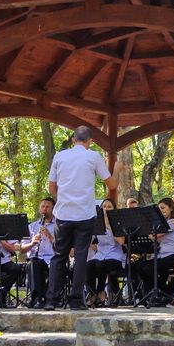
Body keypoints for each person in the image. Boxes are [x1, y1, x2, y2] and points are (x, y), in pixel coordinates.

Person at [45, 125, 122, 310]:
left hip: (63, 214)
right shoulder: (93, 156)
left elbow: (51, 187)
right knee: (81, 257)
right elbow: (112, 184)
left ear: (73, 140)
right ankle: (76, 301)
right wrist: (117, 168)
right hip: (85, 215)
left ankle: (51, 300)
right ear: (90, 141)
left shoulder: (59, 156)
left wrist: (62, 199)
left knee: (59, 256)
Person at [135, 197, 174, 301]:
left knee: (148, 268)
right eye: (159, 209)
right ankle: (161, 292)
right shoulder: (164, 223)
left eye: (163, 208)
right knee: (141, 266)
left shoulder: (173, 222)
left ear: (171, 208)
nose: (161, 211)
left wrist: (148, 228)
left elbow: (155, 236)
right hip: (164, 255)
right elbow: (159, 239)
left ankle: (164, 292)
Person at [86, 198, 125, 306]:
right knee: (88, 265)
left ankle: (101, 292)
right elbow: (89, 241)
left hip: (115, 256)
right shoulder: (97, 222)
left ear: (113, 209)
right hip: (100, 254)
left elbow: (121, 241)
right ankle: (92, 294)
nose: (106, 209)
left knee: (100, 265)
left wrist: (109, 226)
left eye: (109, 207)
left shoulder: (117, 223)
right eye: (104, 207)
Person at [20, 197, 56, 308]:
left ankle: (49, 298)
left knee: (57, 266)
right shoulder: (32, 226)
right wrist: (32, 243)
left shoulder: (59, 226)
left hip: (53, 259)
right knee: (32, 264)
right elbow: (22, 249)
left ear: (53, 209)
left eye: (47, 207)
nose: (44, 209)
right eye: (42, 206)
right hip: (36, 259)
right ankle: (38, 298)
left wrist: (50, 237)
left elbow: (64, 248)